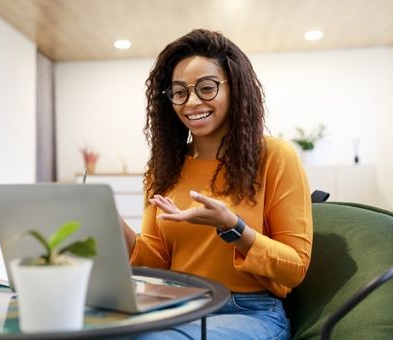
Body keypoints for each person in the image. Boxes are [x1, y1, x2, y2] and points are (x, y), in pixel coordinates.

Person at [121, 29, 313, 339]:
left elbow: (295, 267)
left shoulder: (275, 156)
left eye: (206, 88)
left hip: (248, 310)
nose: (191, 102)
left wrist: (232, 227)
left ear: (235, 88)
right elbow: (153, 264)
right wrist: (111, 222)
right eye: (179, 92)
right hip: (179, 305)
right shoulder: (164, 168)